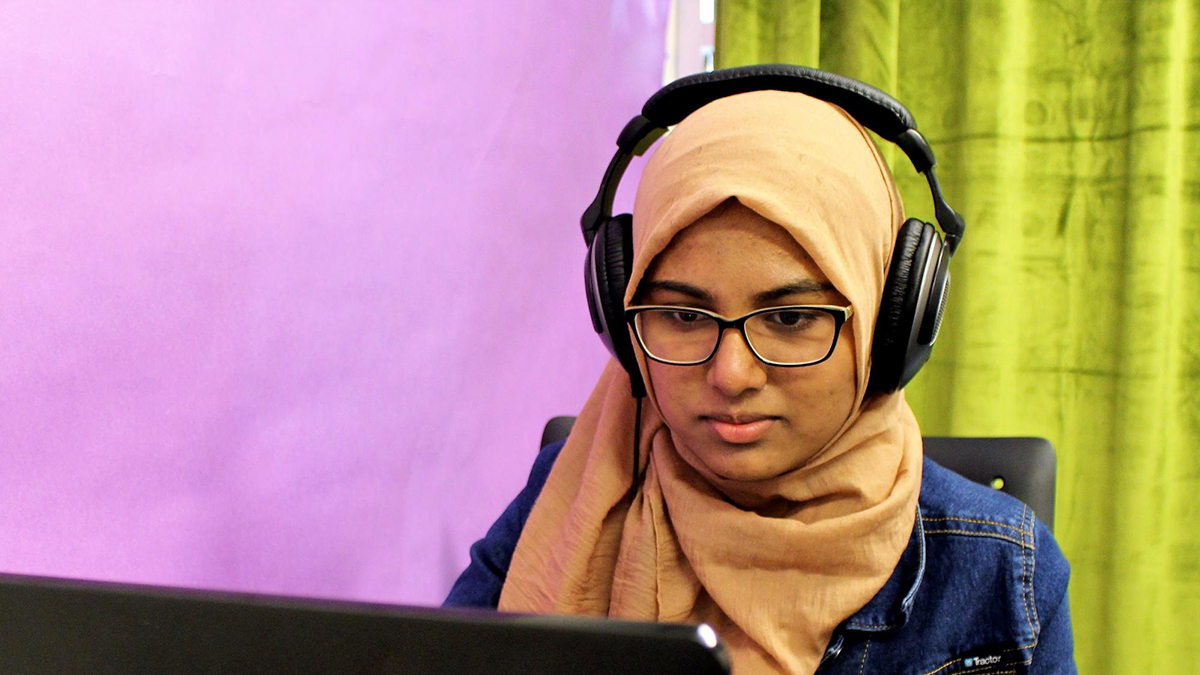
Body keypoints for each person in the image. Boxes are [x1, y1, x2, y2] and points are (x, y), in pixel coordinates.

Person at [445, 67, 1076, 675]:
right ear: (622, 315)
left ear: (889, 328)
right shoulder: (566, 498)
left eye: (792, 318)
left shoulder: (1002, 568)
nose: (732, 376)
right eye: (685, 316)